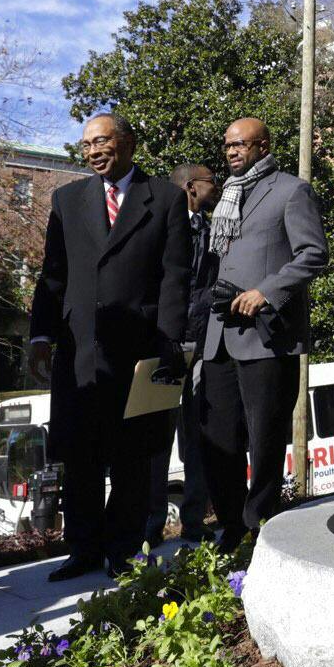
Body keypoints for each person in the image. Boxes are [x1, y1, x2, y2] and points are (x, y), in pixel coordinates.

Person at [28, 114, 192, 579]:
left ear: (128, 142)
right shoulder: (67, 200)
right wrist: (41, 336)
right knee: (80, 454)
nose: (93, 151)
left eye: (101, 141)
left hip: (139, 348)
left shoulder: (164, 198)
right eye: (86, 145)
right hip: (79, 348)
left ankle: (123, 550)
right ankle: (82, 549)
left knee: (132, 457)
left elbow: (175, 274)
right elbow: (53, 274)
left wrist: (168, 339)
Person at [196, 118, 329, 544]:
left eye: (240, 144)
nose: (232, 152)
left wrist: (267, 292)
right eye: (227, 145)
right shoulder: (226, 197)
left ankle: (261, 527)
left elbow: (314, 254)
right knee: (219, 439)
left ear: (263, 146)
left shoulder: (291, 191)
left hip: (266, 335)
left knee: (265, 438)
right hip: (219, 336)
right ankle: (231, 527)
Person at [146, 162, 220, 544]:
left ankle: (194, 522)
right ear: (192, 187)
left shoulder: (211, 229)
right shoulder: (160, 227)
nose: (217, 187)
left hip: (203, 345)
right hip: (165, 345)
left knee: (198, 437)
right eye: (211, 182)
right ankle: (150, 525)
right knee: (157, 439)